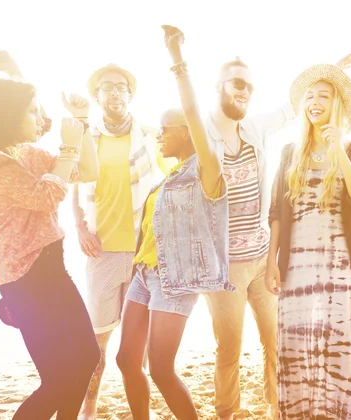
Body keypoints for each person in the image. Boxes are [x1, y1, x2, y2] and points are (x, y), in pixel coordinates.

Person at [204, 51, 351, 420]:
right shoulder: (200, 131)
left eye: (250, 86)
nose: (245, 91)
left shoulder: (254, 128)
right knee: (229, 348)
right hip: (223, 266)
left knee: (275, 340)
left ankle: (276, 406)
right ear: (219, 86)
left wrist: (332, 72)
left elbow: (297, 106)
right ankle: (227, 412)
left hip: (260, 257)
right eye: (238, 82)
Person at [0, 76, 101, 420]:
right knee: (59, 379)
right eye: (31, 111)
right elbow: (45, 196)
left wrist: (84, 125)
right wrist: (70, 147)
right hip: (25, 279)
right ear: (7, 115)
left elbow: (88, 170)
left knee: (87, 358)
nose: (40, 118)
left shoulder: (26, 152)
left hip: (52, 269)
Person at [114, 25, 231, 420]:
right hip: (143, 276)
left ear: (188, 133)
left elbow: (196, 113)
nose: (159, 135)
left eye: (166, 129)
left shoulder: (206, 171)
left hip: (174, 281)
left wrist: (176, 57)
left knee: (161, 368)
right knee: (127, 361)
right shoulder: (166, 180)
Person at [265, 61, 351, 419]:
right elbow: (275, 212)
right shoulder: (289, 153)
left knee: (337, 347)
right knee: (297, 345)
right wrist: (272, 262)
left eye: (324, 96)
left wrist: (339, 151)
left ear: (337, 105)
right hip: (295, 266)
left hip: (339, 266)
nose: (315, 102)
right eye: (310, 97)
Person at [67, 61, 171, 420]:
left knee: (136, 343)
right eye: (107, 87)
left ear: (130, 94)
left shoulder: (147, 133)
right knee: (97, 341)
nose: (115, 92)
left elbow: (175, 169)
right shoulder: (87, 136)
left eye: (121, 87)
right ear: (97, 97)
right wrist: (79, 227)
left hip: (144, 251)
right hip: (103, 252)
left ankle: (137, 408)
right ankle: (89, 408)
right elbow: (75, 185)